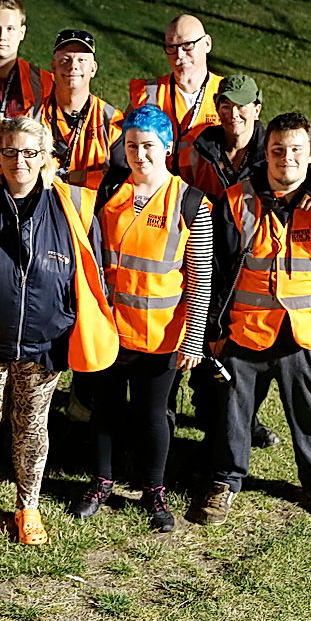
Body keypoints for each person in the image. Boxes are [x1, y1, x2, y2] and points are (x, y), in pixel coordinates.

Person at [0, 117, 118, 546]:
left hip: (45, 339)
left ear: (46, 158)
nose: (20, 161)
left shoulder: (75, 203)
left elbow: (93, 270)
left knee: (33, 426)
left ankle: (27, 506)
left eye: (30, 152)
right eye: (10, 151)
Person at [190, 112, 311, 525]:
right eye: (277, 150)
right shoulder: (237, 200)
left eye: (295, 150)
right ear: (266, 153)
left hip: (305, 336)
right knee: (231, 416)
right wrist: (212, 332)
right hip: (246, 334)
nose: (285, 158)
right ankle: (224, 482)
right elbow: (215, 270)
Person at [175, 76, 311, 449]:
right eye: (224, 105)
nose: (232, 113)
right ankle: (213, 426)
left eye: (241, 105)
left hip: (253, 256)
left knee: (243, 373)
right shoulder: (199, 146)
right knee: (210, 360)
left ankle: (239, 427)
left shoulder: (272, 146)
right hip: (211, 249)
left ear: (257, 108)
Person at [70, 105, 212, 533]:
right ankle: (101, 482)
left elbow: (201, 275)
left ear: (167, 148)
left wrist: (193, 338)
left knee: (153, 417)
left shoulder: (189, 201)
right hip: (112, 330)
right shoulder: (110, 192)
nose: (140, 155)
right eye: (132, 146)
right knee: (105, 412)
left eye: (148, 146)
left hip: (162, 336)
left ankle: (153, 489)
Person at [127, 14, 223, 184]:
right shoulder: (147, 94)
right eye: (172, 47)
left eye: (187, 45)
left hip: (214, 200)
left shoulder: (230, 96)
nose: (179, 54)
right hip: (159, 198)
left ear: (207, 43)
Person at [39, 30, 124, 190]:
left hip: (94, 211)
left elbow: (121, 183)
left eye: (82, 60)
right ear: (53, 66)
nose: (73, 66)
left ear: (93, 68)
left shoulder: (113, 122)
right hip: (41, 210)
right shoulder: (32, 117)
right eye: (65, 59)